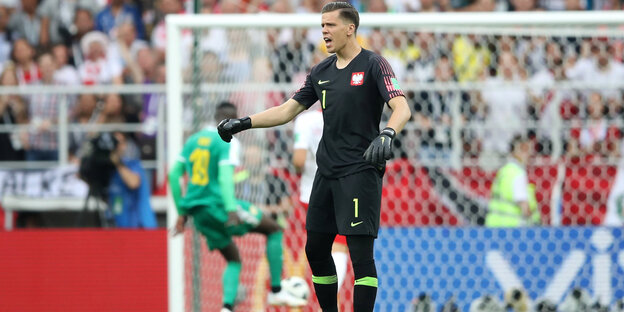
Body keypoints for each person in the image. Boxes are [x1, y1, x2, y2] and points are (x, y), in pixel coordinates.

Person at [216, 2, 411, 311]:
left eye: (330, 25)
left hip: (360, 172)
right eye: (322, 26)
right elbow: (286, 110)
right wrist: (244, 123)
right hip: (326, 173)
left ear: (350, 28)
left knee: (361, 256)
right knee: (316, 250)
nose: (324, 31)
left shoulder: (375, 64)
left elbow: (402, 106)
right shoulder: (320, 71)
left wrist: (388, 133)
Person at [169, 103, 307, 312]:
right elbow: (225, 178)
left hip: (198, 214)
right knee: (273, 229)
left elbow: (173, 175)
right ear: (233, 120)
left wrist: (181, 213)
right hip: (219, 205)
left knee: (233, 258)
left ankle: (226, 307)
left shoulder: (193, 141)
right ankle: (277, 291)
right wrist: (231, 209)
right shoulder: (226, 140)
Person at [292, 107, 349, 294]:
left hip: (312, 191)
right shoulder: (346, 114)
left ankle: (312, 296)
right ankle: (329, 298)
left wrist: (302, 171)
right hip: (343, 189)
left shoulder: (305, 120)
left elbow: (299, 160)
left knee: (317, 246)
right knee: (339, 246)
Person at [485, 134, 540, 227]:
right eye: (525, 149)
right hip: (511, 226)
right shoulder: (518, 173)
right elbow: (524, 206)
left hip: (494, 224)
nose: (529, 154)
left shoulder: (504, 170)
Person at [108, 132, 157, 228]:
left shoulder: (132, 164)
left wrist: (118, 163)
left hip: (139, 226)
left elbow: (134, 183)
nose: (116, 146)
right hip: (117, 225)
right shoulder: (108, 168)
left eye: (119, 142)